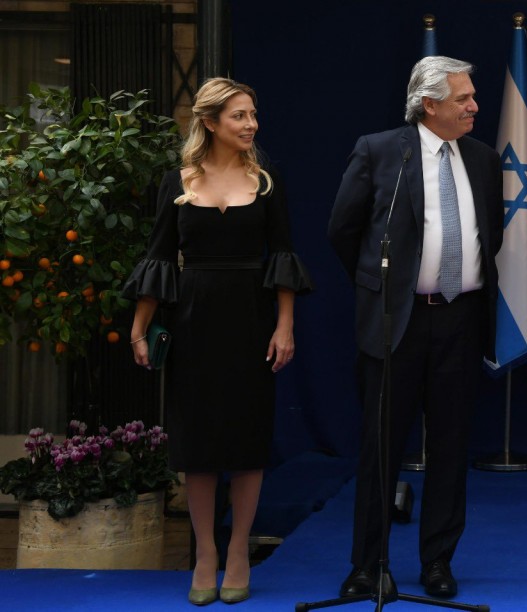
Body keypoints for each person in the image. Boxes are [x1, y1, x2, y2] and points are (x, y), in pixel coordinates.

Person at [124, 77, 313, 606]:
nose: (252, 124)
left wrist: (285, 325)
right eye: (239, 116)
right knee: (198, 445)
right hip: (192, 323)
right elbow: (159, 257)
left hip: (251, 322)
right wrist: (139, 328)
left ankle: (238, 552)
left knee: (248, 441)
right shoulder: (177, 181)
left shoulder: (266, 182)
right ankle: (205, 554)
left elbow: (283, 257)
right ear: (209, 123)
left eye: (253, 114)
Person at [327, 56, 502, 599]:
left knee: (451, 445)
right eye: (463, 98)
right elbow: (343, 230)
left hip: (461, 319)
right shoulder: (382, 152)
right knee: (380, 446)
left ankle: (438, 562)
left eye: (472, 96)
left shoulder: (483, 159)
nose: (474, 106)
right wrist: (385, 288)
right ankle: (367, 565)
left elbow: (489, 236)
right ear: (429, 104)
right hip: (396, 322)